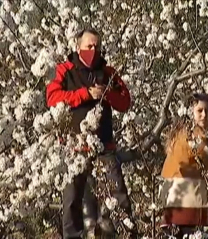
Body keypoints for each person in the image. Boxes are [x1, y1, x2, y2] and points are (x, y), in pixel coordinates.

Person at [45, 28, 135, 239]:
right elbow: (53, 98)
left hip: (104, 146)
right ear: (78, 47)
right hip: (74, 146)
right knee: (72, 199)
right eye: (89, 46)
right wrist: (85, 94)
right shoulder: (65, 70)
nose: (93, 50)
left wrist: (107, 93)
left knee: (118, 193)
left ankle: (126, 233)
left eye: (97, 46)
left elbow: (125, 102)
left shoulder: (108, 72)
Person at [159, 93, 208, 238]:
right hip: (188, 203)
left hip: (173, 202)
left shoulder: (178, 134)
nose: (204, 115)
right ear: (190, 113)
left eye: (207, 111)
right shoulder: (194, 135)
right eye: (200, 111)